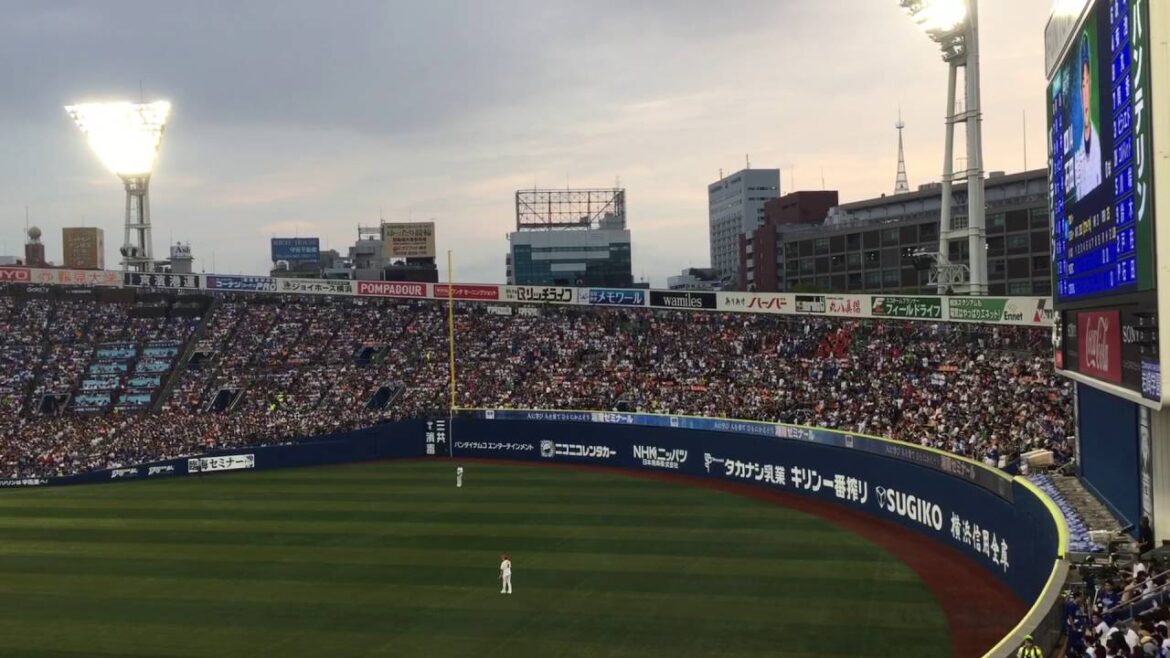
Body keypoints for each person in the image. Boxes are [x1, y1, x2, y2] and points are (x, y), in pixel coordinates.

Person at [1074, 31, 1102, 202]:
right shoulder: (1078, 151)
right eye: (1082, 83)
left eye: (1087, 82)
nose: (1085, 91)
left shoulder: (1098, 145)